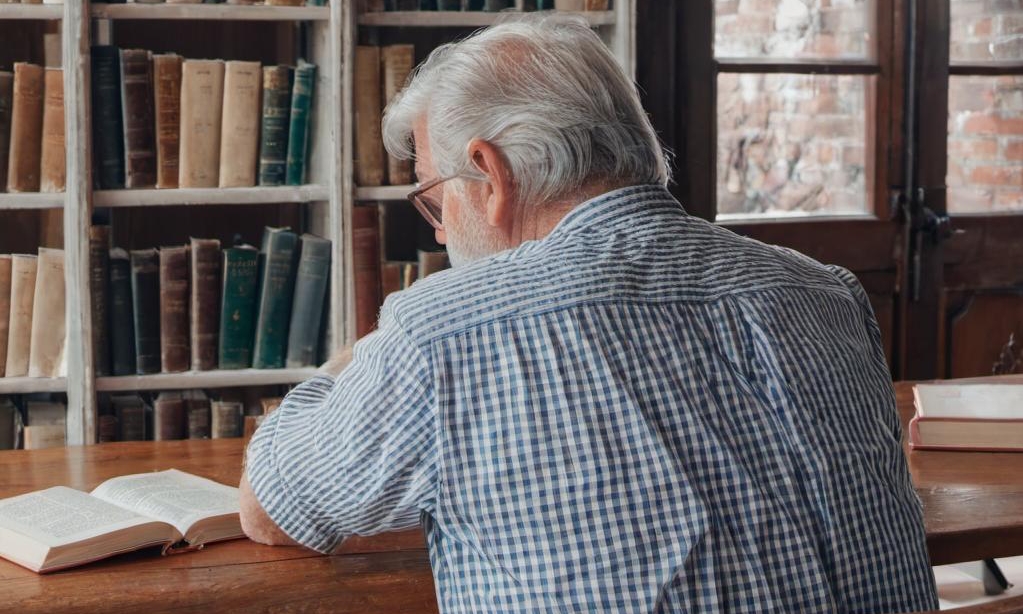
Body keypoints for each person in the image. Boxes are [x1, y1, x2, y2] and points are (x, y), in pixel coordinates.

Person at [239, 14, 938, 613]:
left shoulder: (443, 329)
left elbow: (274, 511)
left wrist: (349, 363)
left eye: (433, 199)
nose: (439, 233)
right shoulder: (826, 294)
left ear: (490, 173)